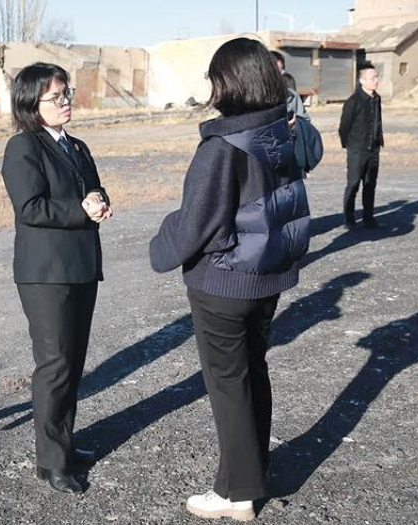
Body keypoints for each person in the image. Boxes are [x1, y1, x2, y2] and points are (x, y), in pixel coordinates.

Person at [149, 38, 310, 521]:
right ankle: (253, 472)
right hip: (266, 278)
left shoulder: (221, 146)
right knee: (252, 373)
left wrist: (160, 245)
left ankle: (237, 493)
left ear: (229, 83)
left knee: (228, 386)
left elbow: (196, 224)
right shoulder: (277, 132)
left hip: (224, 284)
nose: (211, 86)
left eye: (214, 77)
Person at [1, 62, 112, 494]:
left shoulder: (76, 145)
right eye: (56, 97)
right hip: (46, 274)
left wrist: (100, 202)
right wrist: (80, 210)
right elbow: (30, 208)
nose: (66, 102)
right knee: (55, 365)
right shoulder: (23, 147)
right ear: (32, 104)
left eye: (67, 94)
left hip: (81, 265)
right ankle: (51, 462)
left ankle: (63, 444)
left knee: (73, 363)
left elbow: (93, 189)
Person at [339, 63, 384, 229]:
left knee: (370, 184)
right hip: (357, 149)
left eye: (377, 77)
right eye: (372, 78)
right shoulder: (353, 101)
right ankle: (349, 219)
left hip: (374, 149)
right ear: (362, 81)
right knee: (353, 184)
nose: (376, 80)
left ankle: (368, 218)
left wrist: (378, 141)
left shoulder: (377, 99)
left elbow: (377, 121)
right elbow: (344, 127)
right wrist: (350, 145)